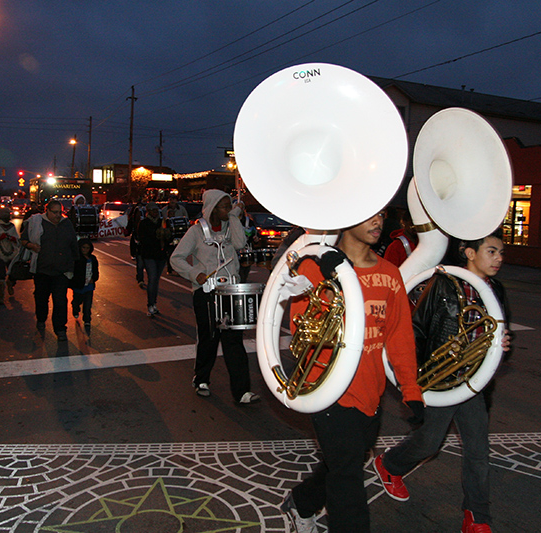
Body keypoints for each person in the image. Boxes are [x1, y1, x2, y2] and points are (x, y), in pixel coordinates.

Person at [279, 210, 422, 533]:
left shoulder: (390, 273)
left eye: (382, 215)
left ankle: (302, 502)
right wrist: (330, 288)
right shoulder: (315, 267)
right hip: (328, 393)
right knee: (348, 483)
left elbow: (400, 336)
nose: (378, 222)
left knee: (342, 463)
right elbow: (301, 332)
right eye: (369, 215)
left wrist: (411, 390)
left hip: (371, 394)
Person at [374, 230, 512, 533]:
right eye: (492, 251)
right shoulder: (444, 283)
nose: (499, 258)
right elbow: (417, 330)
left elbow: (502, 331)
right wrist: (413, 381)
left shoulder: (496, 288)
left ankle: (477, 517)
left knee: (478, 450)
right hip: (441, 379)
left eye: (501, 253)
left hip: (473, 382)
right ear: (469, 253)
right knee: (430, 442)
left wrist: (504, 346)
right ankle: (390, 464)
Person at [170, 190, 260, 404]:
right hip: (206, 292)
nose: (228, 210)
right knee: (209, 337)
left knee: (234, 342)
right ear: (212, 207)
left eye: (230, 206)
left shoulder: (231, 225)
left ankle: (242, 391)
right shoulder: (196, 231)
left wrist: (233, 217)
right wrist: (195, 274)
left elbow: (239, 244)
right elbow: (177, 258)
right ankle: (201, 379)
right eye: (224, 206)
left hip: (230, 291)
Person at [21, 199, 79, 341]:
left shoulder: (66, 224)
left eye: (60, 212)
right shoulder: (36, 223)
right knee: (41, 299)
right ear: (47, 211)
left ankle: (60, 329)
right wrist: (31, 245)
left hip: (61, 271)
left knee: (60, 301)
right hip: (42, 270)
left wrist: (74, 266)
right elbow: (22, 240)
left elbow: (73, 245)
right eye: (55, 212)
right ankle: (41, 319)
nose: (58, 215)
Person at [138, 202, 169, 317]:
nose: (156, 212)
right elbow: (142, 238)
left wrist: (166, 236)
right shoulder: (144, 223)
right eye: (153, 210)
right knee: (152, 278)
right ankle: (150, 304)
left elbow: (168, 237)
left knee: (156, 280)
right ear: (148, 211)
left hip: (160, 255)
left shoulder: (163, 222)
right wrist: (156, 236)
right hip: (149, 254)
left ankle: (154, 303)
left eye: (157, 210)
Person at [70, 238, 99, 335]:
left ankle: (87, 320)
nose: (85, 250)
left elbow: (96, 271)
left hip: (89, 286)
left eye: (87, 248)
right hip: (78, 285)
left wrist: (94, 279)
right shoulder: (77, 259)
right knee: (77, 300)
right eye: (83, 248)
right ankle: (75, 308)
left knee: (87, 305)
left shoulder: (93, 259)